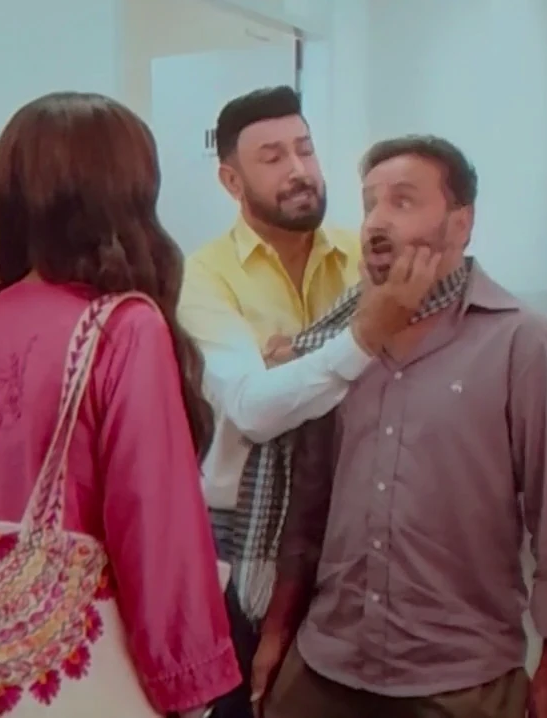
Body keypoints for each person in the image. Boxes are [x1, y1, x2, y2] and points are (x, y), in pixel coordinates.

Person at [253, 136, 547, 718]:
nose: (376, 222)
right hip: (328, 661)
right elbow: (308, 506)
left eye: (403, 201)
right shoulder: (341, 347)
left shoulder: (522, 342)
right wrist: (276, 631)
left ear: (461, 223)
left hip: (462, 678)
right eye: (369, 204)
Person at [0, 91, 242, 717]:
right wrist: (190, 684)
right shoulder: (125, 327)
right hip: (105, 673)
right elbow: (155, 530)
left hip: (3, 675)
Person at [178, 87, 431, 718]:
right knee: (242, 703)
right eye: (272, 157)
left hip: (349, 526)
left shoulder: (362, 255)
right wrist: (362, 337)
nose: (298, 170)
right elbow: (252, 410)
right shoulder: (205, 275)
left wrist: (302, 357)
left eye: (305, 149)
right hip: (244, 539)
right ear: (230, 180)